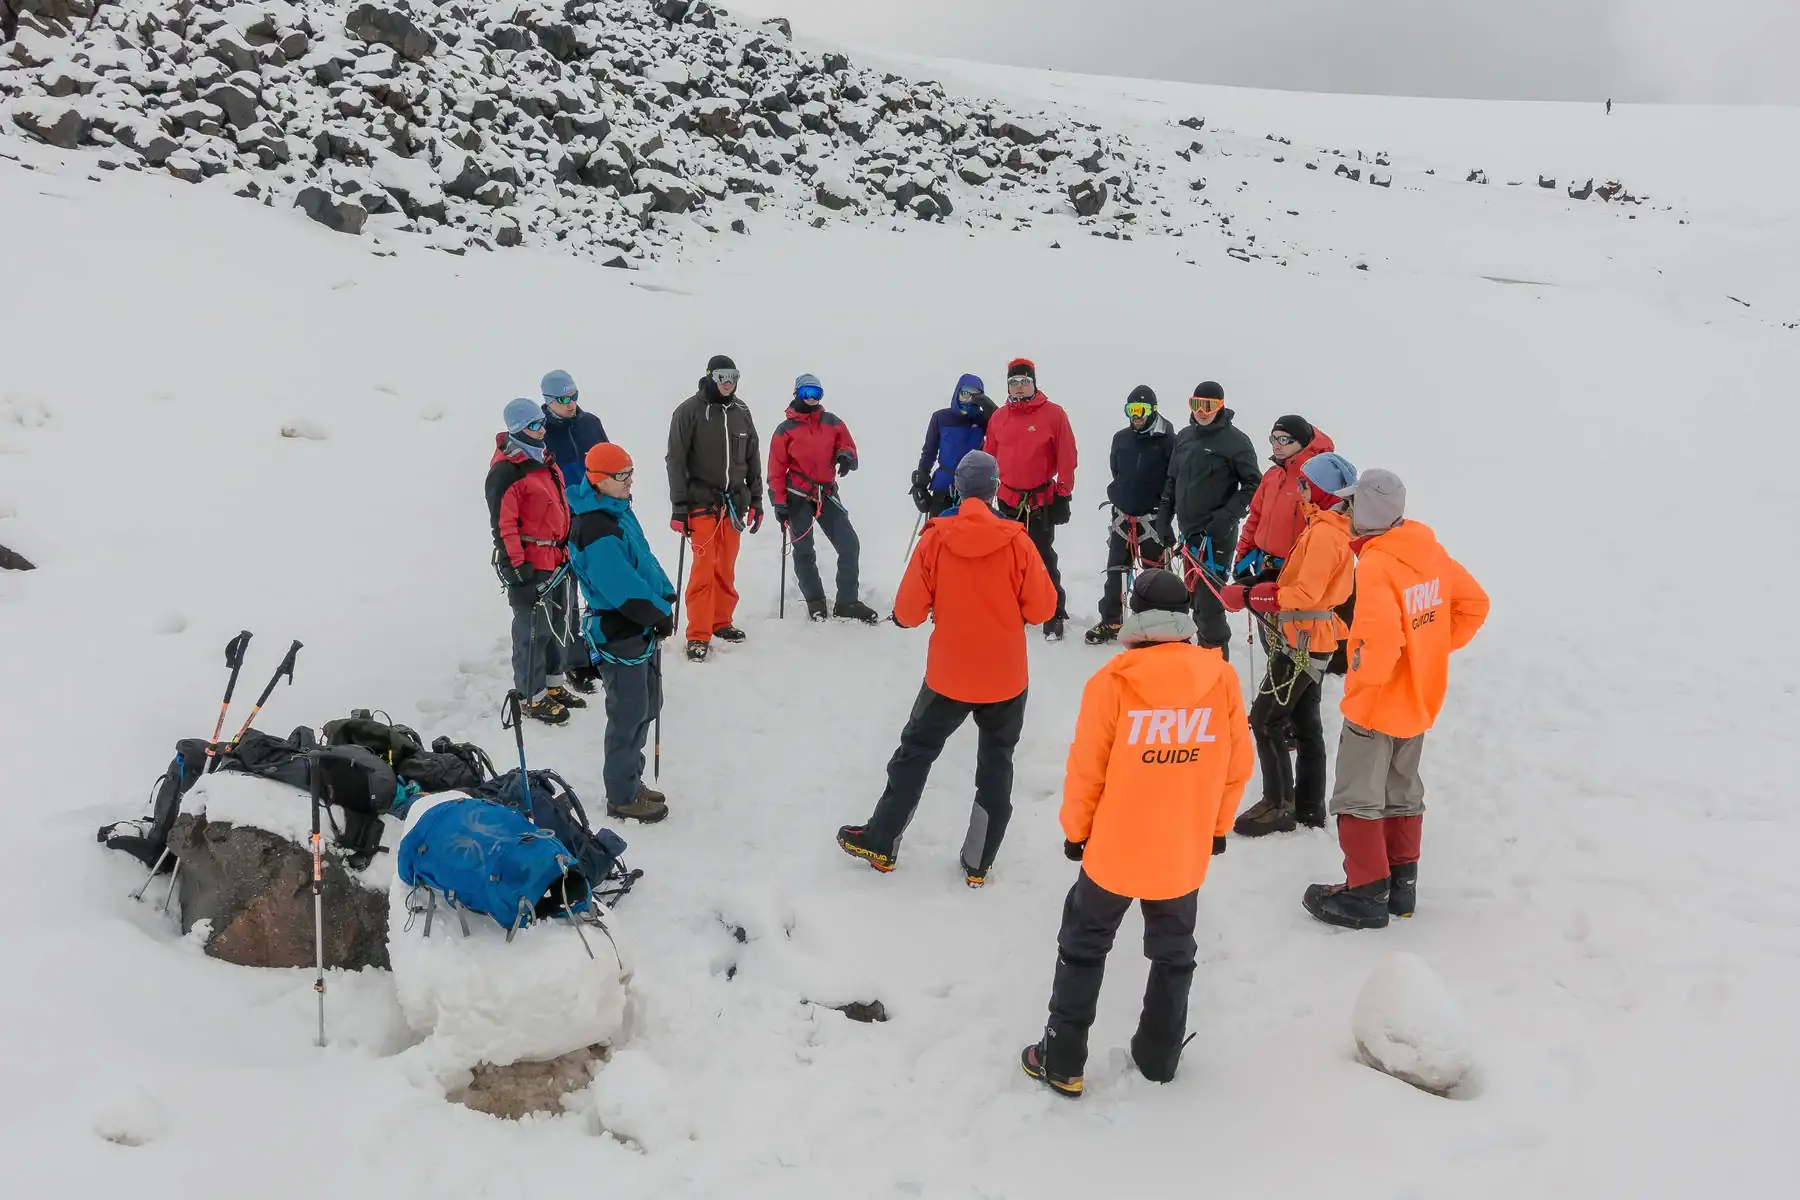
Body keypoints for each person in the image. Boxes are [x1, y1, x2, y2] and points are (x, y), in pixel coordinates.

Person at [1021, 568, 1253, 1099]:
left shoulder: (1115, 681)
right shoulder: (1219, 678)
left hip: (1115, 848)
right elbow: (1238, 763)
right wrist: (1215, 828)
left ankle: (1062, 1060)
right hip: (1181, 848)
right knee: (1174, 952)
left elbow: (1088, 768)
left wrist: (1077, 832)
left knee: (1083, 945)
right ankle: (1159, 1057)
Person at [836, 452, 1058, 887]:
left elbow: (909, 611)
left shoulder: (936, 539)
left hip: (949, 676)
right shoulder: (1017, 540)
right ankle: (978, 864)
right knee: (997, 763)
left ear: (958, 487)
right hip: (1006, 678)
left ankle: (882, 843)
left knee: (915, 753)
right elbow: (1044, 607)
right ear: (995, 489)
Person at [1301, 469, 1489, 929]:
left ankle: (1365, 894)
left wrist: (1361, 688)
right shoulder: (1427, 548)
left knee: (1356, 797)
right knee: (1403, 790)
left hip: (1378, 702)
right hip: (1419, 697)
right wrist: (1428, 654)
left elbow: (1379, 643)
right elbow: (1474, 605)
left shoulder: (1378, 564)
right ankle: (1402, 889)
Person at [1222, 453, 1359, 836]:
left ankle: (1279, 804)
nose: (1298, 491)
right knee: (1304, 722)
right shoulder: (1331, 527)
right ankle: (1309, 806)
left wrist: (1256, 596)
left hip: (1302, 642)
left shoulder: (1325, 533)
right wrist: (1263, 580)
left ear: (1320, 490)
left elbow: (1306, 592)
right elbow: (1303, 581)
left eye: (1304, 484)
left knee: (1265, 719)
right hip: (1311, 639)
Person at [566, 443, 673, 823]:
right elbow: (621, 586)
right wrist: (656, 612)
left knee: (649, 703)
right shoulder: (595, 527)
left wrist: (663, 591)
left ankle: (632, 778)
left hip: (639, 624)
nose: (629, 482)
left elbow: (643, 558)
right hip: (620, 628)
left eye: (630, 473)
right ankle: (622, 794)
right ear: (598, 480)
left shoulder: (619, 509)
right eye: (620, 475)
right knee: (628, 713)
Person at [486, 398, 578, 725]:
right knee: (532, 632)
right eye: (534, 426)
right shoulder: (507, 470)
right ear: (516, 430)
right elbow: (504, 526)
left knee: (558, 625)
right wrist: (517, 572)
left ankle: (553, 685)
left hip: (556, 556)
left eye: (541, 423)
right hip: (531, 562)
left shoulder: (542, 458)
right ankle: (530, 696)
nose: (541, 430)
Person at [666, 354, 764, 663]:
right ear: (710, 376)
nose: (728, 383)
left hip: (735, 503)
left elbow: (752, 457)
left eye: (732, 376)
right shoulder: (688, 412)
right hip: (701, 503)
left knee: (726, 566)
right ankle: (698, 633)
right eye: (722, 376)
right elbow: (676, 460)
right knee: (704, 569)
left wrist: (757, 500)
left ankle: (721, 621)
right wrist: (679, 507)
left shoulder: (742, 412)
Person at [1159, 381, 1260, 656]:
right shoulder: (1185, 436)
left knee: (1208, 605)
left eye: (1209, 406)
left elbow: (1253, 485)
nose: (1201, 411)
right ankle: (1191, 660)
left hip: (1216, 534)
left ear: (1221, 406)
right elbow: (1172, 479)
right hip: (1187, 532)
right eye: (1196, 404)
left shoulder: (1236, 441)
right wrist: (1163, 518)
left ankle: (1214, 668)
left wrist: (1228, 515)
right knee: (1188, 600)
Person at [768, 373, 879, 623]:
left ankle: (847, 601)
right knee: (804, 550)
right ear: (797, 393)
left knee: (849, 544)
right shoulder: (784, 430)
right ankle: (815, 601)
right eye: (807, 393)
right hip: (796, 497)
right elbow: (775, 471)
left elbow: (848, 445)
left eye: (816, 394)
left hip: (826, 494)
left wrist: (846, 457)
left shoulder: (833, 422)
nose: (811, 399)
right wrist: (779, 502)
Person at [984, 357, 1077, 641]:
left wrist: (1064, 491)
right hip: (1007, 498)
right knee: (1008, 558)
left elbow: (1067, 455)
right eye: (1014, 382)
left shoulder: (1054, 414)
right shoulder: (999, 417)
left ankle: (1054, 612)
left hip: (1041, 500)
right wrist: (986, 494)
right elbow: (989, 456)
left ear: (1034, 383)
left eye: (1025, 381)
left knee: (1042, 556)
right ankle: (1013, 607)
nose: (1020, 387)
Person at [539, 369, 610, 695]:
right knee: (567, 595)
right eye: (563, 399)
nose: (571, 404)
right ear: (548, 401)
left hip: (598, 515)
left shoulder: (590, 423)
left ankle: (603, 648)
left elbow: (608, 461)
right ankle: (574, 662)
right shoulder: (541, 433)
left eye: (574, 396)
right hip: (564, 521)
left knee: (601, 585)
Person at [1086, 385, 1175, 644]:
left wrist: (1165, 513)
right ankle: (1112, 620)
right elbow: (1117, 470)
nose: (1135, 416)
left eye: (1141, 410)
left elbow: (1174, 479)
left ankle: (1157, 624)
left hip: (1153, 519)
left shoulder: (1169, 441)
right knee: (1116, 571)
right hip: (1123, 517)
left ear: (1153, 411)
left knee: (1155, 576)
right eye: (1131, 410)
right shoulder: (1121, 438)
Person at [913, 374, 996, 518]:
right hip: (944, 486)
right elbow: (929, 451)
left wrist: (990, 408)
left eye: (975, 396)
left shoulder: (983, 419)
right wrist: (921, 481)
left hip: (974, 489)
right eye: (965, 393)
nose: (969, 399)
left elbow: (1004, 428)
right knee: (939, 533)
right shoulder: (941, 418)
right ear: (958, 392)